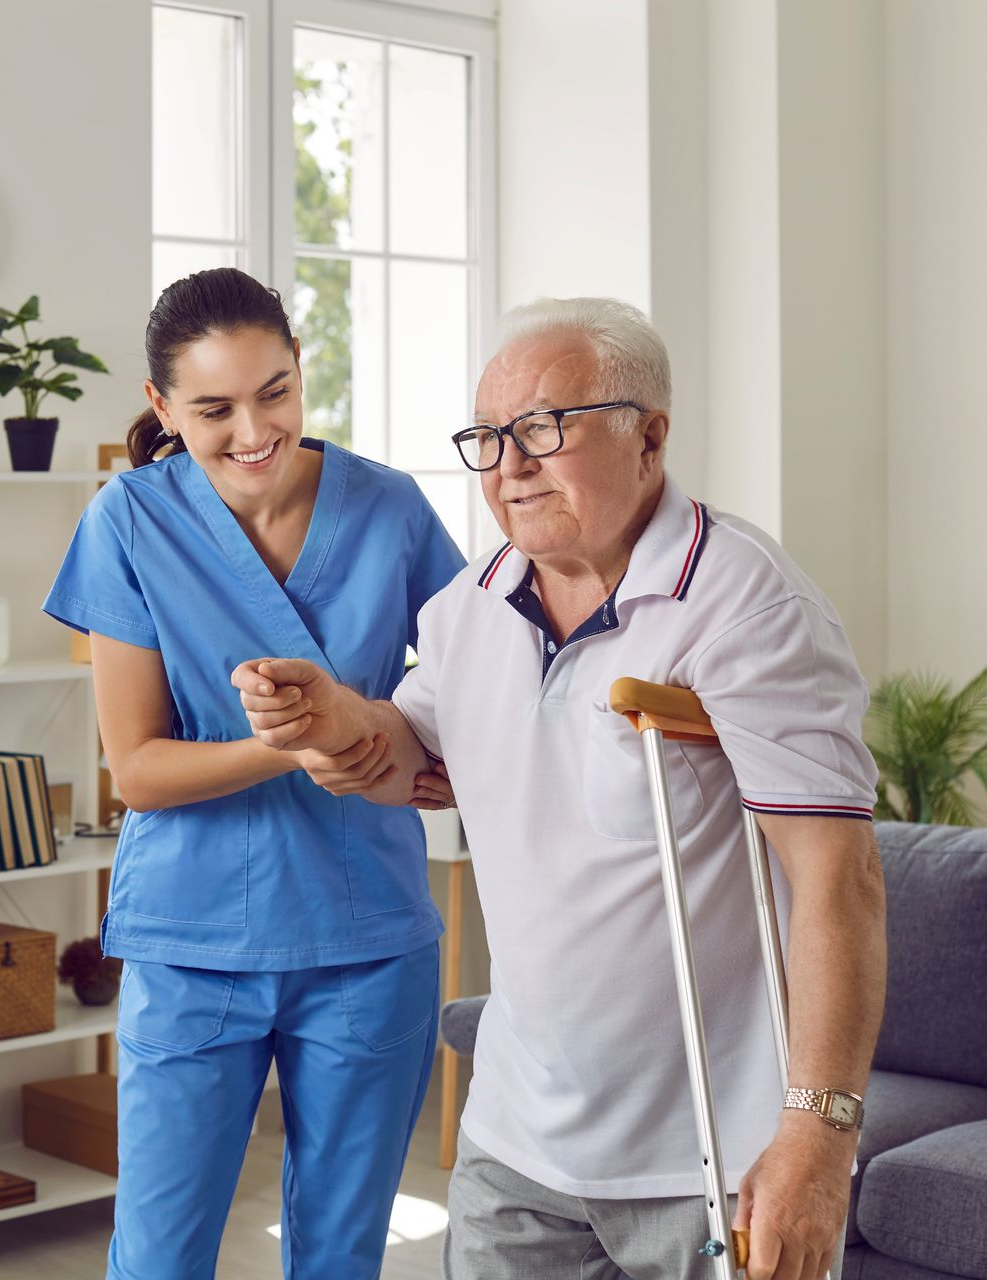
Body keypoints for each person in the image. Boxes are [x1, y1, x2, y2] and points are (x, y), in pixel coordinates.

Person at [231, 297, 887, 1280]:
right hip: (515, 1146)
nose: (509, 464)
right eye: (488, 438)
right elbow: (412, 756)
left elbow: (840, 882)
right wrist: (335, 719)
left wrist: (818, 1139)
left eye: (543, 427)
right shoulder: (468, 605)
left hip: (706, 1154)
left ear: (648, 435)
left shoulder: (748, 604)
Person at [42, 267, 465, 1280]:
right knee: (157, 1255)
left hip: (368, 937)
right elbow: (137, 768)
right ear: (161, 407)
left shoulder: (391, 509)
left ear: (299, 370)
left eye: (274, 391)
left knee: (338, 1254)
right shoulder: (129, 520)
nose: (252, 430)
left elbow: (469, 694)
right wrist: (289, 741)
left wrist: (399, 737)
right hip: (194, 944)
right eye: (214, 407)